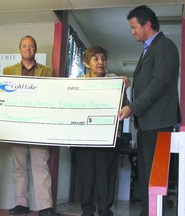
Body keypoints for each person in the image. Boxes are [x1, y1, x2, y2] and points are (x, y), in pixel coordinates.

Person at [118, 5, 182, 216]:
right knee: (147, 175)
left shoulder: (164, 46)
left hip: (158, 123)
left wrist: (132, 107)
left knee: (155, 177)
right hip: (147, 123)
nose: (132, 31)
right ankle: (148, 212)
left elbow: (159, 84)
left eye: (134, 26)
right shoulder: (149, 49)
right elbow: (147, 84)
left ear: (148, 24)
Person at [3, 35, 57, 216]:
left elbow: (52, 97)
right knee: (19, 166)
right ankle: (21, 204)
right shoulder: (8, 71)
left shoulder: (48, 71)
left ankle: (45, 206)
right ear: (20, 49)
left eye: (31, 46)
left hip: (39, 126)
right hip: (16, 126)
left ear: (35, 49)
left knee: (40, 165)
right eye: (24, 46)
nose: (28, 49)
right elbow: (3, 96)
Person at [74, 45, 130, 216]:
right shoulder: (77, 83)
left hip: (108, 137)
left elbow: (124, 109)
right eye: (95, 59)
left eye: (103, 59)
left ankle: (105, 210)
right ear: (86, 63)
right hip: (84, 138)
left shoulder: (115, 81)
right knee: (86, 176)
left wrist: (124, 88)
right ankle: (87, 210)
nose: (100, 62)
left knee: (106, 176)